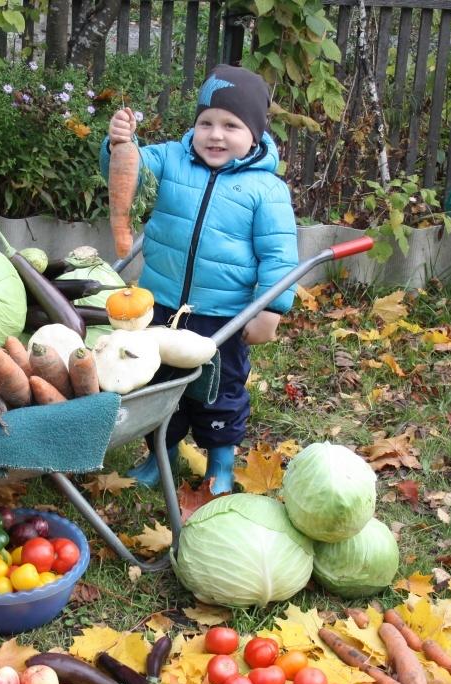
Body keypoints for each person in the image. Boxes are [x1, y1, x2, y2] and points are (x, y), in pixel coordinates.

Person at [100, 64, 299, 494]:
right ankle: (162, 457)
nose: (215, 134)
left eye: (231, 125)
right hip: (162, 304)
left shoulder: (266, 190)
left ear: (255, 134)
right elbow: (127, 173)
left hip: (222, 315)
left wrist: (268, 312)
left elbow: (279, 257)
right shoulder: (170, 158)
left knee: (219, 392)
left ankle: (220, 465)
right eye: (205, 122)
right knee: (158, 385)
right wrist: (118, 143)